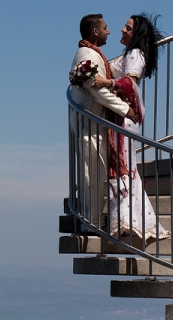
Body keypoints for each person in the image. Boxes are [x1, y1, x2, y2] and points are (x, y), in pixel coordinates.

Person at [91, 13, 171, 243]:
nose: (122, 30)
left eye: (127, 28)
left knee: (123, 166)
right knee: (123, 167)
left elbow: (130, 82)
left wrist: (107, 82)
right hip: (121, 116)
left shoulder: (136, 55)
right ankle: (126, 220)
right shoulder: (130, 54)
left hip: (124, 118)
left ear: (136, 34)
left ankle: (127, 222)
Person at [69, 14, 134, 227]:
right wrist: (126, 109)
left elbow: (102, 84)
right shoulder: (86, 55)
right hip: (89, 125)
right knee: (91, 175)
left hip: (95, 124)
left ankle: (92, 221)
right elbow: (97, 91)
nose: (109, 31)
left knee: (97, 174)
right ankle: (90, 222)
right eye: (105, 27)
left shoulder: (93, 54)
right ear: (95, 31)